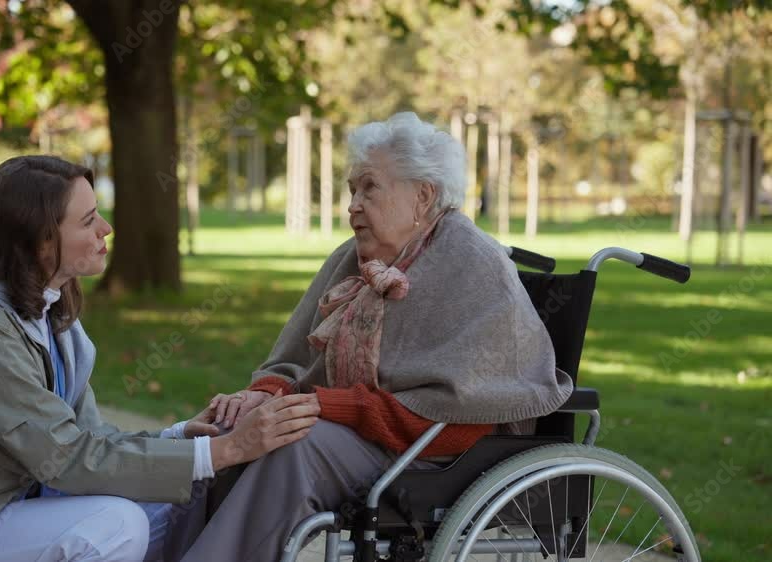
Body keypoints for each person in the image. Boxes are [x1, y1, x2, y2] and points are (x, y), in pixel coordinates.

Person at [0, 155, 320, 562]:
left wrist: (180, 436)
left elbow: (86, 439)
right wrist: (226, 451)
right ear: (40, 240)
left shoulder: (47, 309)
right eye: (88, 221)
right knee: (116, 525)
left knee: (178, 499)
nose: (106, 228)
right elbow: (66, 458)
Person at [170, 112, 574, 562]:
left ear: (423, 196)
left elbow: (463, 411)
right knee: (225, 430)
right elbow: (296, 360)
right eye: (351, 191)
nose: (352, 207)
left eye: (369, 188)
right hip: (365, 438)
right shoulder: (353, 258)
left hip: (435, 454)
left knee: (293, 446)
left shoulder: (472, 264)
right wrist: (262, 394)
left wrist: (333, 406)